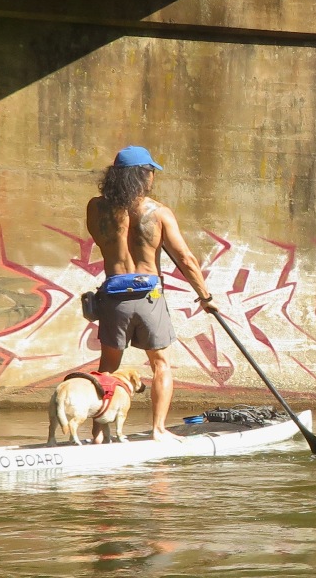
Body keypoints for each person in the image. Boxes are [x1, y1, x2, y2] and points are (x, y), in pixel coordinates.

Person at [85, 146, 218, 441]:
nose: (153, 177)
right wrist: (205, 298)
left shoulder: (96, 207)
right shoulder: (159, 213)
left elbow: (100, 238)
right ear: (140, 175)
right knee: (161, 363)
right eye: (150, 172)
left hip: (114, 294)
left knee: (107, 367)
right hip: (149, 296)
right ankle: (158, 429)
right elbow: (185, 259)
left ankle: (98, 432)